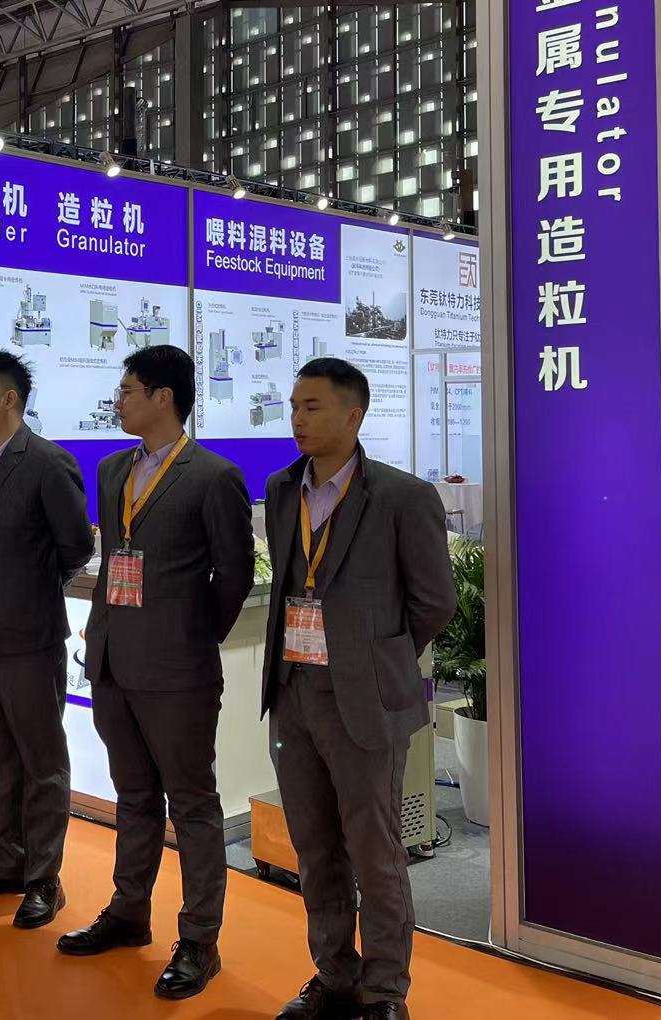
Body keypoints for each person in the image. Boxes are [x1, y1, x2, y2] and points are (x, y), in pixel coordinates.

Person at [59, 345, 254, 1001]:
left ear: (163, 397)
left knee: (192, 804)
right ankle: (127, 912)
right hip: (113, 659)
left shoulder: (213, 477)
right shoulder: (112, 469)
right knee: (134, 796)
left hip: (179, 669)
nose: (118, 401)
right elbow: (117, 558)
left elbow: (234, 576)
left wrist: (193, 639)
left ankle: (199, 940)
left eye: (127, 390)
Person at [263, 359, 455, 1020]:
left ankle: (384, 991)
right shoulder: (281, 490)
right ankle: (335, 976)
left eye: (312, 407)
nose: (297, 419)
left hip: (365, 702)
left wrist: (376, 662)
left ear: (353, 415)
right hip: (293, 692)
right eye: (294, 406)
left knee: (375, 854)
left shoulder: (402, 497)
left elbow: (434, 601)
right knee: (314, 849)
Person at [0, 350, 92, 930]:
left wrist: (28, 588)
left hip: (30, 636)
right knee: (0, 756)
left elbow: (75, 546)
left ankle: (43, 879)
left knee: (42, 762)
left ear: (9, 399)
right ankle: (7, 861)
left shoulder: (47, 463)